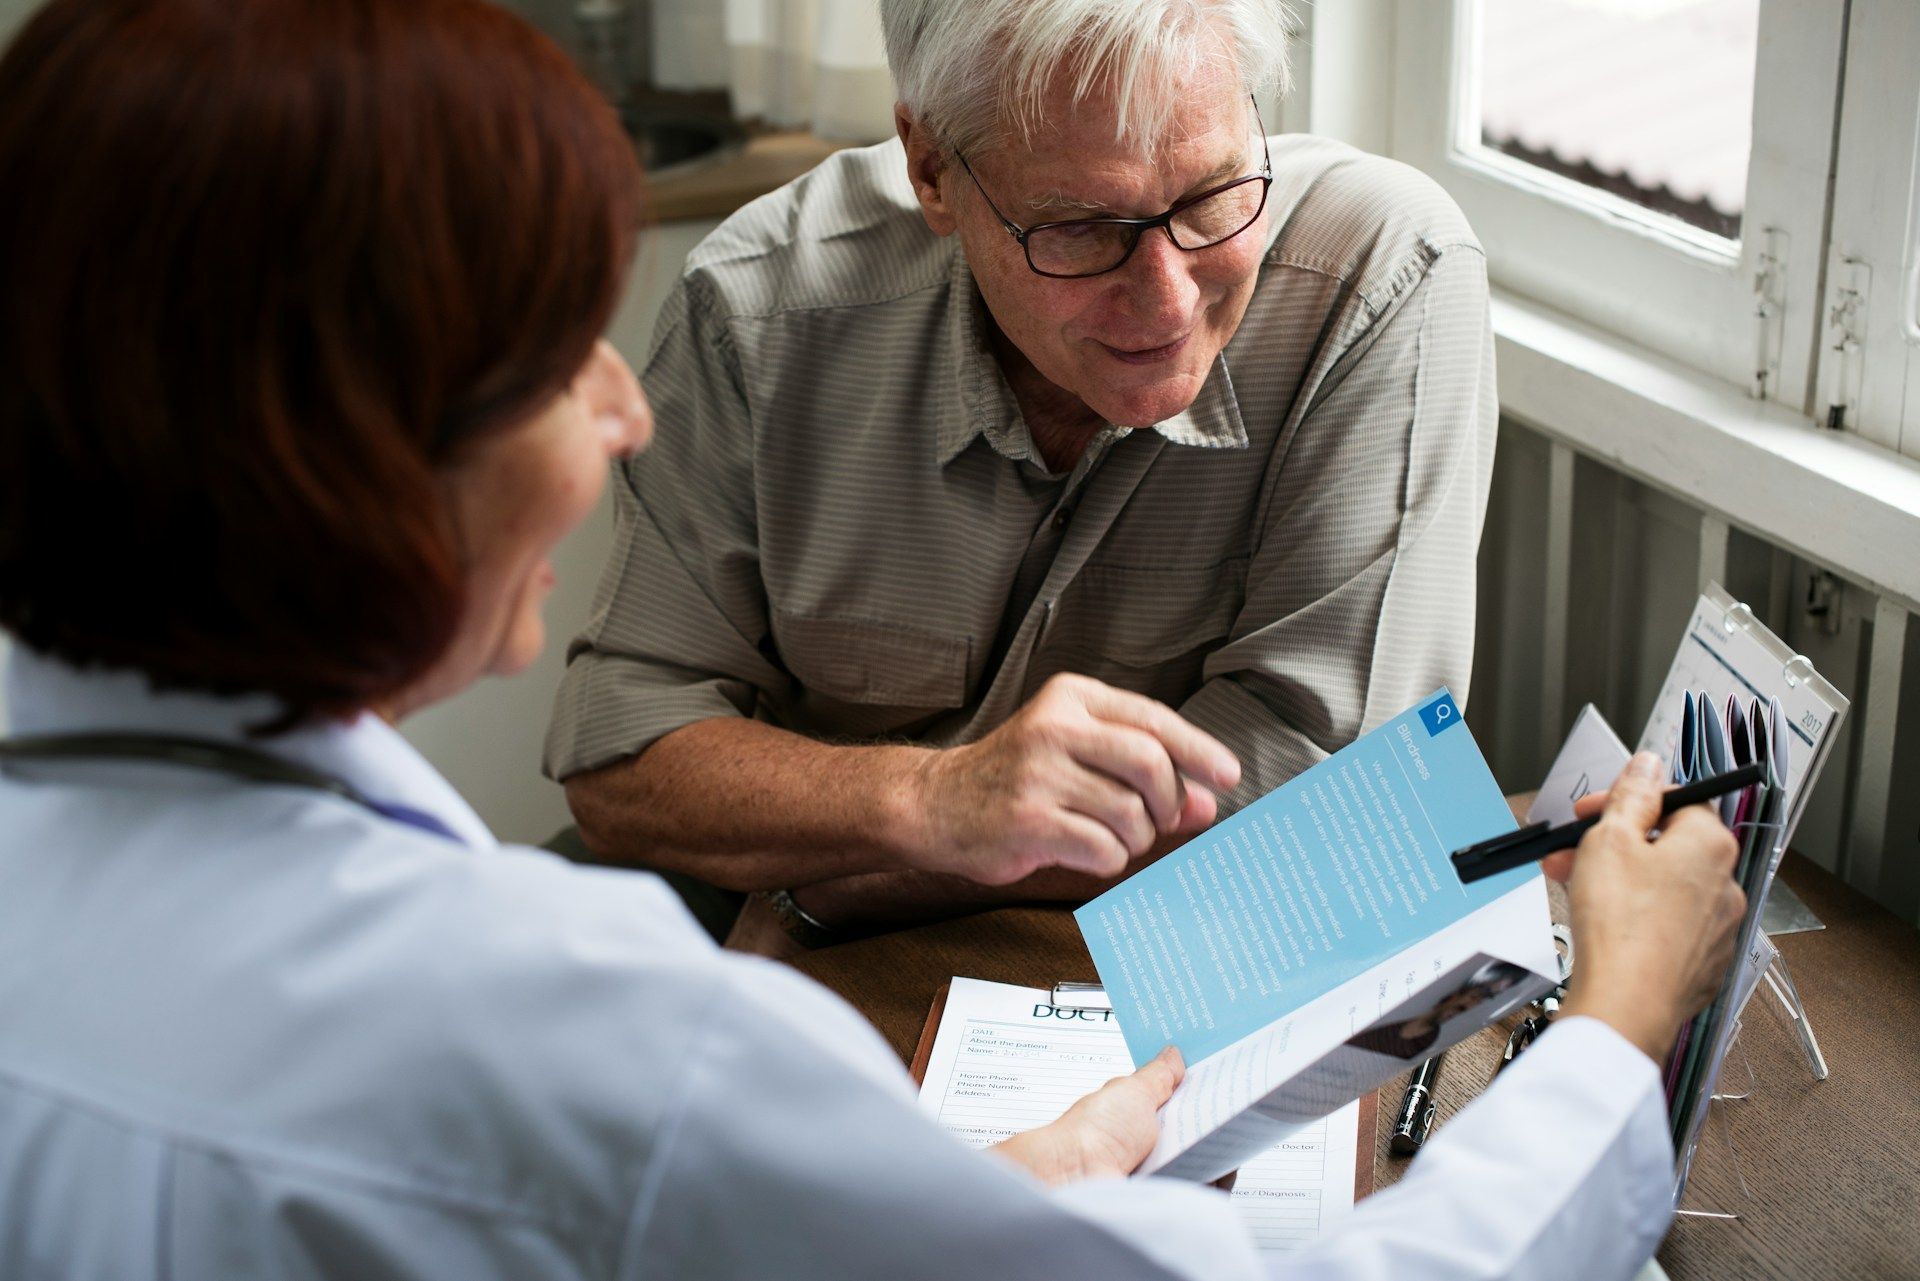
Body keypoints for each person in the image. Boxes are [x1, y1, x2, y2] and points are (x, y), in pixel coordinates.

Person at [0, 2, 1746, 1279]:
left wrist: (1006, 1187)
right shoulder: (615, 1048)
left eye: (1212, 200)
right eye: (550, 356)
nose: (621, 413)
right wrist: (1613, 1026)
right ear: (342, 456)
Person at [544, 0, 1502, 950]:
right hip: (794, 941)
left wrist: (849, 884)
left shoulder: (1384, 276)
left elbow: (1335, 793)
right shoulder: (759, 311)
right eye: (1081, 229)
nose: (1168, 300)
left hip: (1138, 933)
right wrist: (930, 801)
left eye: (1211, 196)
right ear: (932, 172)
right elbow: (619, 751)